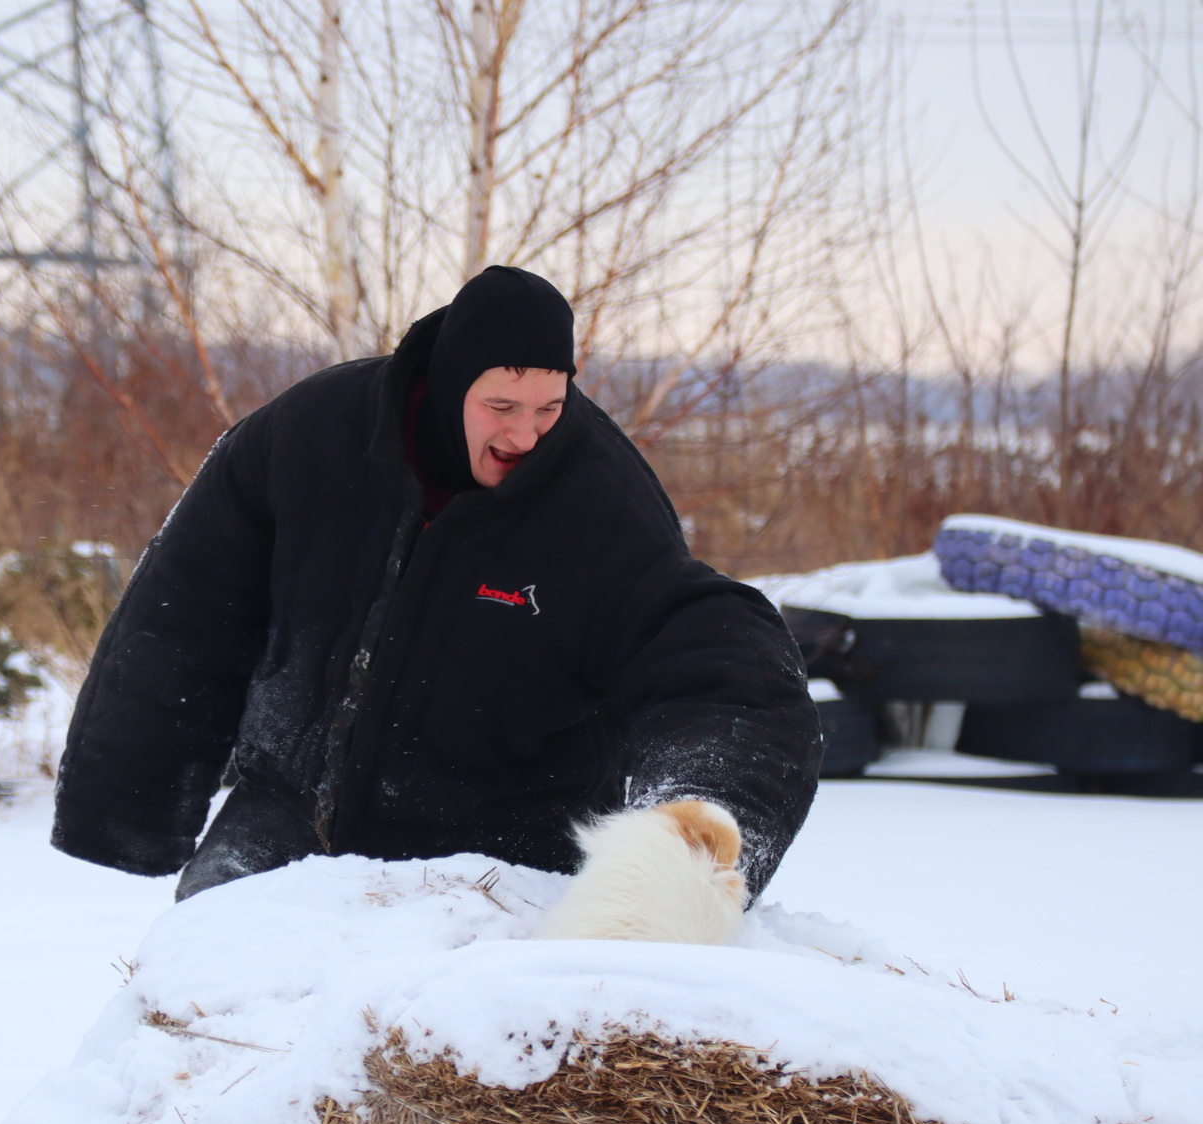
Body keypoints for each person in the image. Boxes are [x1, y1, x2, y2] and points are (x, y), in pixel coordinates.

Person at [52, 266, 820, 917]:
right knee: (198, 1013)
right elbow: (188, 606)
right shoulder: (313, 435)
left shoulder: (599, 506)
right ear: (451, 383)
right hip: (281, 810)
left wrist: (694, 831)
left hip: (490, 858)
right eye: (503, 408)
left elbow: (720, 666)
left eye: (550, 409)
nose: (527, 435)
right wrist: (128, 808)